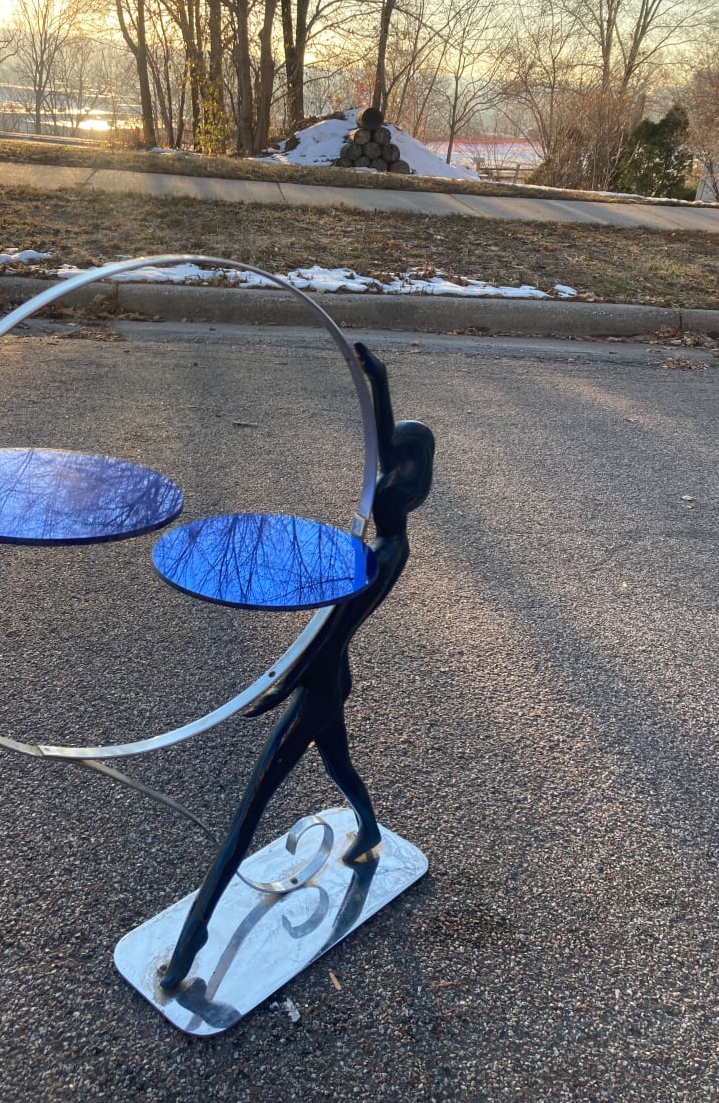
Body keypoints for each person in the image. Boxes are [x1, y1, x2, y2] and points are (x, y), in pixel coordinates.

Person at [160, 342, 435, 990]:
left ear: (409, 487)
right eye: (381, 470)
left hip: (315, 687)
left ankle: (188, 946)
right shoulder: (381, 537)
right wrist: (378, 379)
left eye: (389, 476)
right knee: (339, 765)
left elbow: (323, 637)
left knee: (246, 817)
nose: (376, 484)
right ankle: (367, 827)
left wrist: (269, 688)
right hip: (329, 684)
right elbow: (382, 447)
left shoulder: (382, 558)